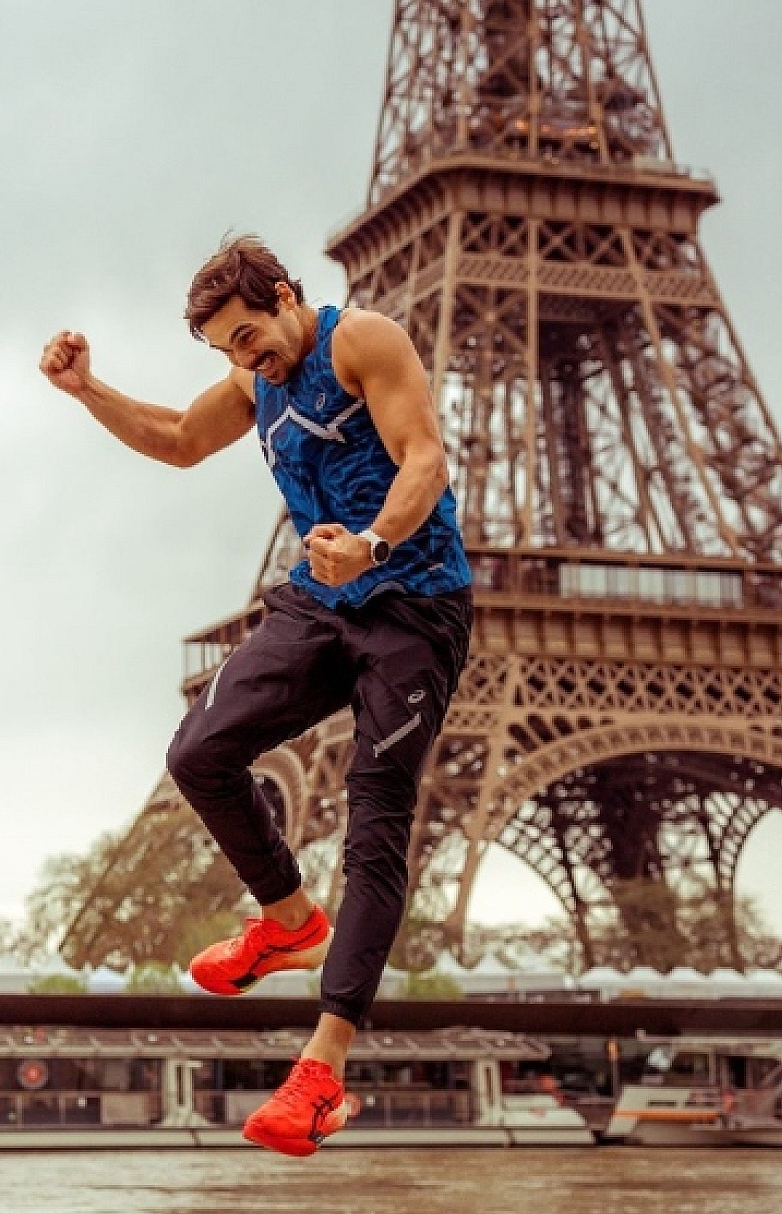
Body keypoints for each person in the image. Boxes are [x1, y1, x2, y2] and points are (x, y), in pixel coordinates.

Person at [40, 235, 472, 1157]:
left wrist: (371, 543)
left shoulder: (363, 340)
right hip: (320, 601)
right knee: (198, 752)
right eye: (226, 350)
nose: (245, 359)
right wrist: (89, 391)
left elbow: (425, 460)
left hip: (414, 602)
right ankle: (286, 920)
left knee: (375, 818)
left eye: (249, 336)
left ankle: (321, 1070)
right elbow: (180, 440)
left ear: (284, 296)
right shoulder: (254, 381)